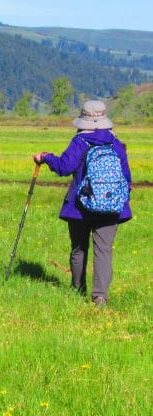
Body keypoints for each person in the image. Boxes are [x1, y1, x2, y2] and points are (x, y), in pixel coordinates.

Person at [33, 100, 132, 306]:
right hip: (111, 207)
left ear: (83, 118)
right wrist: (119, 201)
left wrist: (46, 157)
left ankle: (77, 291)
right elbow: (126, 178)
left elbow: (63, 167)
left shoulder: (80, 141)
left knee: (79, 248)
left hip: (80, 206)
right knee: (103, 251)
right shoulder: (115, 142)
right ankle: (100, 297)